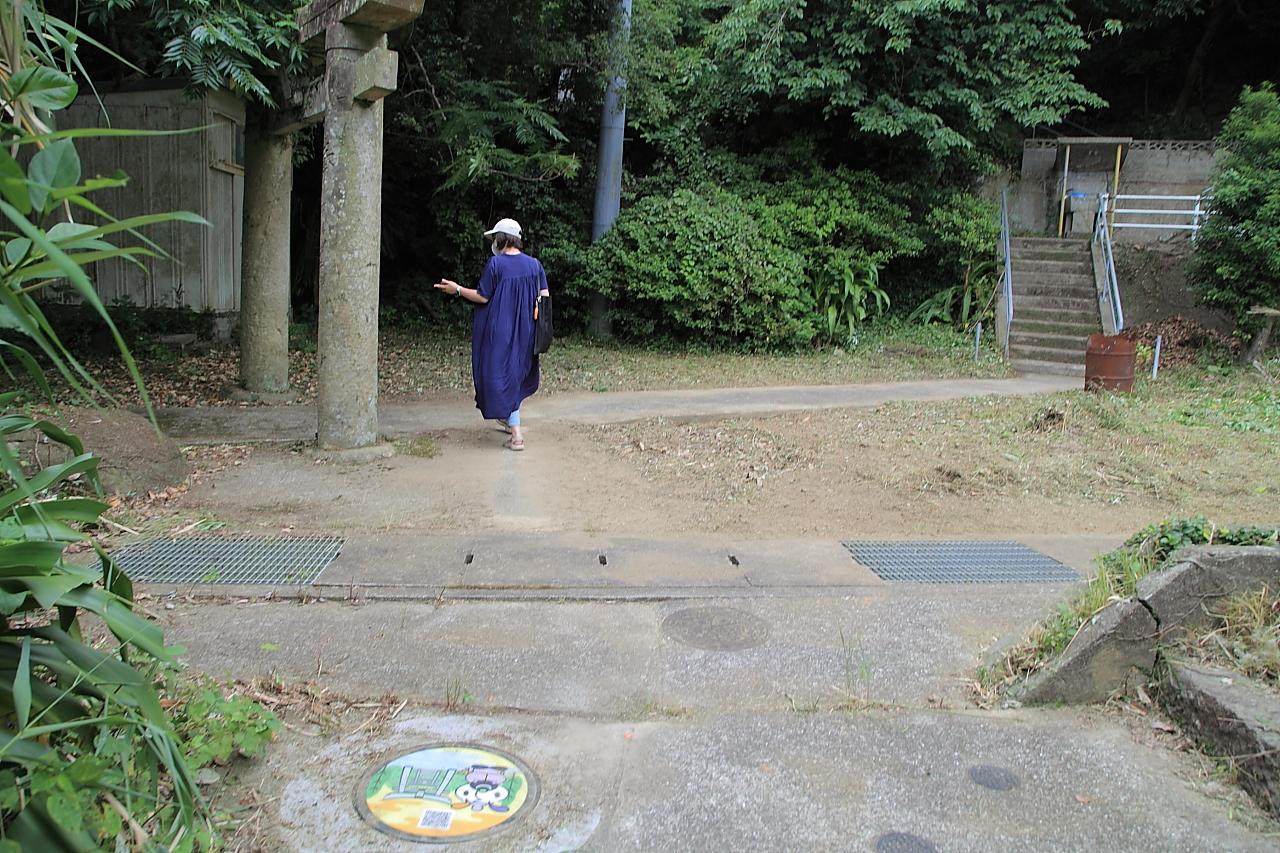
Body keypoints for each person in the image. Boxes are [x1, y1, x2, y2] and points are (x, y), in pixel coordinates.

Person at [436, 218, 549, 451]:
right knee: (516, 374)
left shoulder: (496, 265)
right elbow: (544, 295)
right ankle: (510, 419)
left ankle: (516, 435)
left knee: (499, 374)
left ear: (501, 239)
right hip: (526, 330)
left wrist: (456, 289)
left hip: (500, 331)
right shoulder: (535, 265)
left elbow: (482, 296)